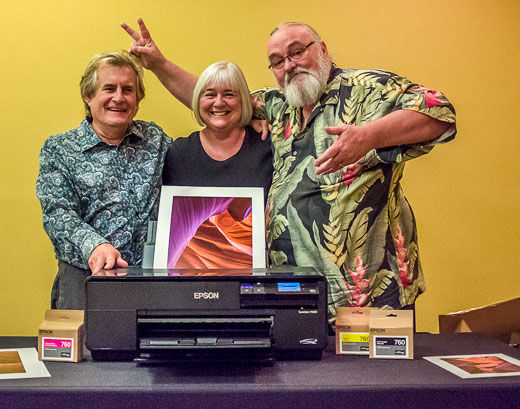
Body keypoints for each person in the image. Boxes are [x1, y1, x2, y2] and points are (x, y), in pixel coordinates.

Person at [121, 19, 456, 321]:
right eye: (278, 61)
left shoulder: (368, 90)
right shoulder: (280, 104)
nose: (289, 65)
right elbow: (215, 100)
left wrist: (369, 136)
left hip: (369, 290)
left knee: (371, 372)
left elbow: (439, 112)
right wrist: (159, 64)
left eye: (297, 52)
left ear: (322, 49)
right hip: (295, 294)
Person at [36, 50, 172, 309]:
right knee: (82, 339)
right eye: (109, 88)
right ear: (88, 96)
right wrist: (96, 247)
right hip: (84, 280)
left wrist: (247, 122)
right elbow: (57, 214)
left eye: (128, 90)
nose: (118, 98)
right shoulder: (59, 149)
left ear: (137, 100)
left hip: (147, 283)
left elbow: (202, 148)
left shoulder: (156, 140)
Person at [162, 61, 273, 268]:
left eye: (229, 94)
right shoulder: (179, 153)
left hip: (258, 277)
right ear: (198, 101)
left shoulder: (267, 147)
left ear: (243, 101)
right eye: (210, 95)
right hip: (190, 278)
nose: (219, 103)